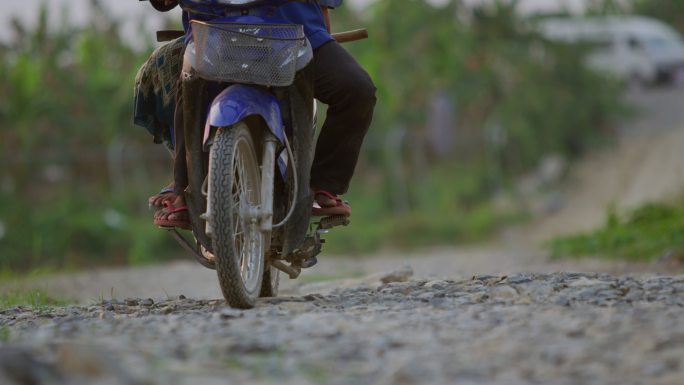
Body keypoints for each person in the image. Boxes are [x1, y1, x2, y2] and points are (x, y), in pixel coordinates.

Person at [138, 0, 376, 228]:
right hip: (215, 35)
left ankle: (324, 185)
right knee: (188, 84)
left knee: (356, 90)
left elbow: (323, 9)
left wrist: (323, 33)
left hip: (295, 33)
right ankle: (184, 187)